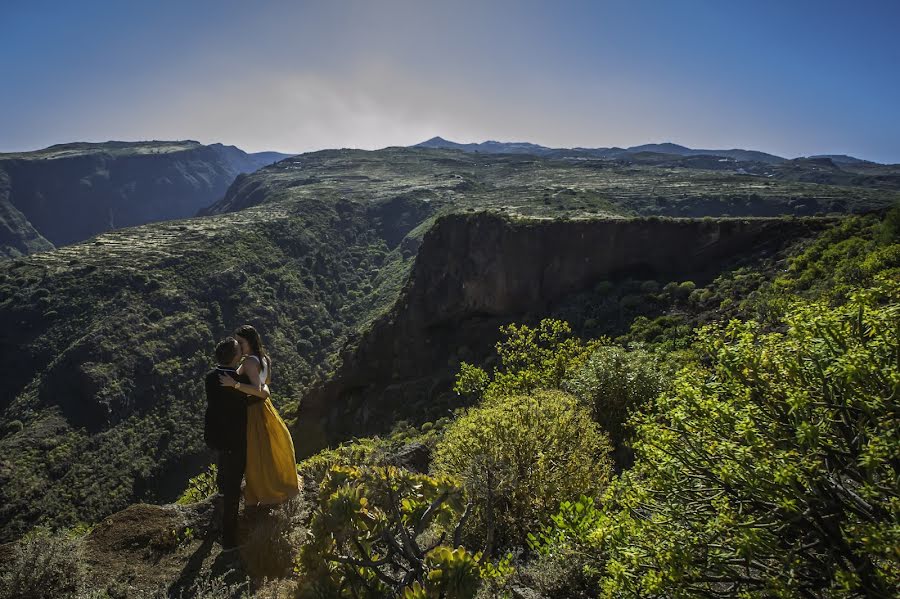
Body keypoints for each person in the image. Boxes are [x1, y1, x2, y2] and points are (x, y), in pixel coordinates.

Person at [218, 324, 300, 505]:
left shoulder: (248, 362)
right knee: (269, 448)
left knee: (256, 452)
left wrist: (235, 385)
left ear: (250, 341)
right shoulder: (264, 358)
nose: (238, 346)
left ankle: (264, 490)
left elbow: (258, 390)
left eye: (241, 342)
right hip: (266, 407)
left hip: (254, 410)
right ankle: (278, 483)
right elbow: (266, 383)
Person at [203, 337, 264, 549]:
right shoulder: (240, 382)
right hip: (237, 442)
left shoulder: (210, 378)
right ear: (235, 357)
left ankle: (218, 527)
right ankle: (230, 540)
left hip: (219, 440)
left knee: (225, 483)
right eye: (239, 351)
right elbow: (260, 395)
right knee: (233, 489)